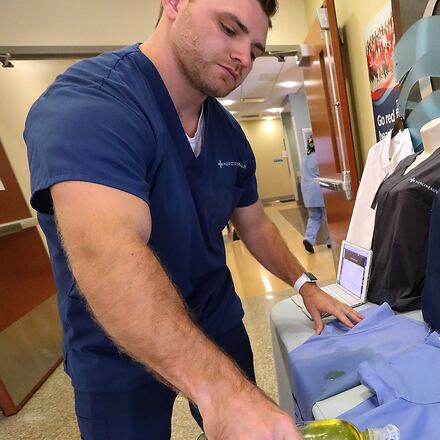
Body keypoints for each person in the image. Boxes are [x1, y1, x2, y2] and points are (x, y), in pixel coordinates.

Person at [24, 1, 363, 439]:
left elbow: (255, 223)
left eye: (255, 49)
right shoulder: (92, 105)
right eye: (228, 28)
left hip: (213, 317)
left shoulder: (228, 135)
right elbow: (107, 253)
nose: (243, 56)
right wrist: (219, 390)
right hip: (116, 345)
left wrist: (305, 284)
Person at [299, 135, 328, 253]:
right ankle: (331, 241)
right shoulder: (320, 157)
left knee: (314, 217)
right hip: (319, 190)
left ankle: (309, 239)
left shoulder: (305, 158)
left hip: (308, 193)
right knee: (329, 217)